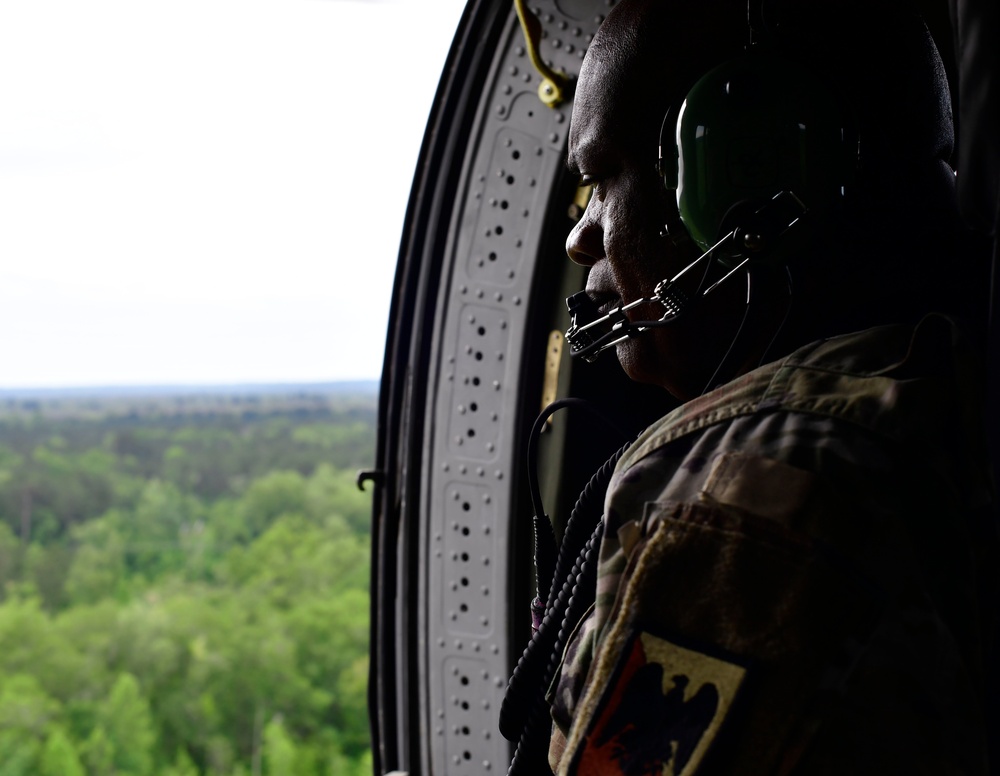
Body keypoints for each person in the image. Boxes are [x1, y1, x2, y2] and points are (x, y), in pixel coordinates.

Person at [532, 0, 998, 772]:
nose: (583, 235)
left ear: (746, 173)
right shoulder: (942, 394)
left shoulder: (754, 496)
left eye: (604, 180)